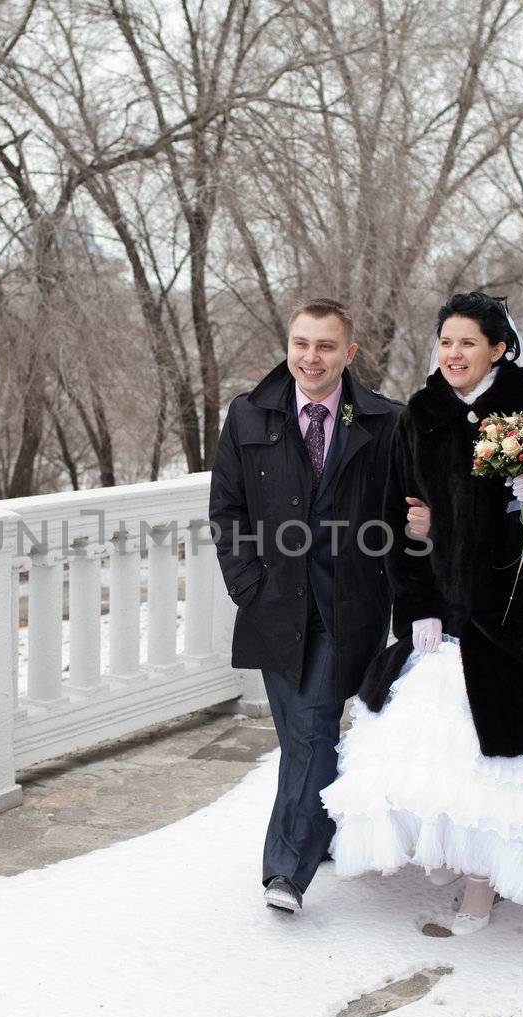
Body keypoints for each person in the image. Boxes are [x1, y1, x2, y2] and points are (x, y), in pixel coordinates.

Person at [320, 292, 523, 933]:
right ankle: (458, 848)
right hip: (446, 602)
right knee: (448, 743)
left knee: (510, 739)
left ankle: (485, 877)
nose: (453, 354)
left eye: (467, 343)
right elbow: (399, 516)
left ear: (499, 348)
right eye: (445, 342)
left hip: (519, 601)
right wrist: (416, 603)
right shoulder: (423, 413)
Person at [209, 298, 404, 914]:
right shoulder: (248, 416)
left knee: (315, 725)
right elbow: (228, 511)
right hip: (276, 606)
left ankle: (285, 872)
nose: (310, 357)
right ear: (287, 345)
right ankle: (323, 827)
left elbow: (406, 511)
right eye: (300, 344)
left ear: (349, 353)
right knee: (302, 736)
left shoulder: (385, 422)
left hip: (347, 606)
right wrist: (248, 585)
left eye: (325, 346)